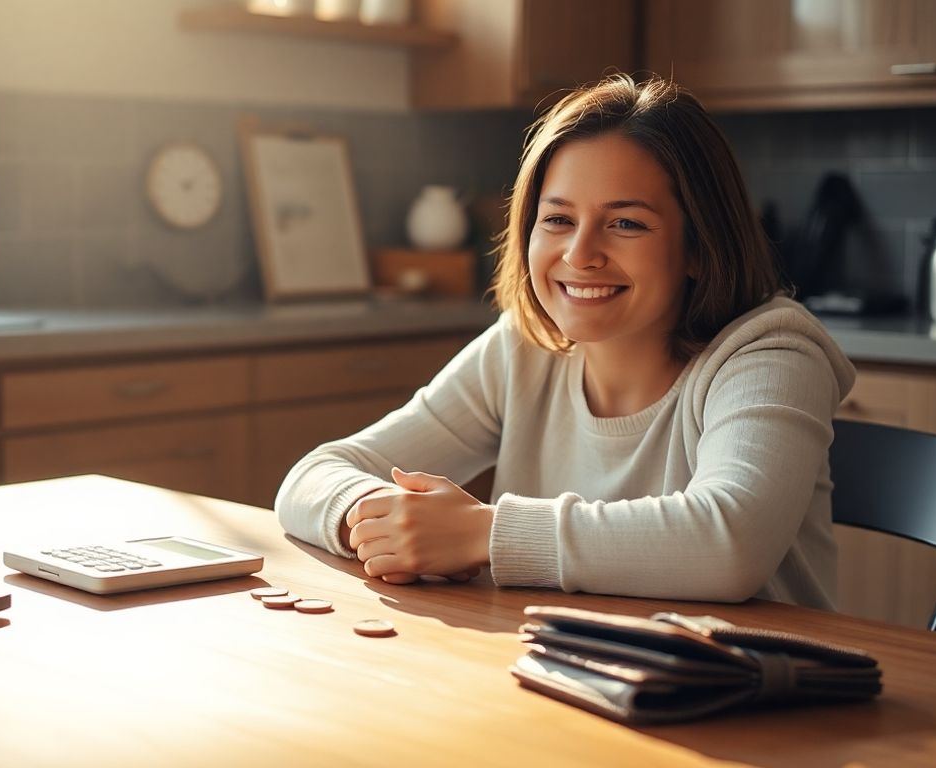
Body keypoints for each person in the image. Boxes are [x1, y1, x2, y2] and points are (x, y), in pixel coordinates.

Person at [274, 74, 854, 609]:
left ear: (700, 247)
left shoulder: (771, 355)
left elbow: (730, 545)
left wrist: (480, 533)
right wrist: (378, 520)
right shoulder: (525, 350)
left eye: (626, 223)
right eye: (557, 220)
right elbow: (316, 474)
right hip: (571, 677)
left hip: (761, 697)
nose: (580, 255)